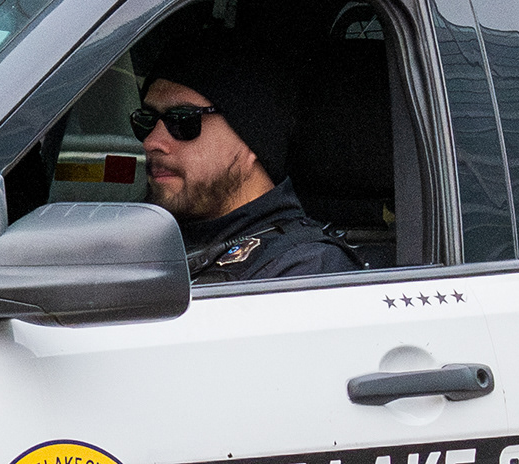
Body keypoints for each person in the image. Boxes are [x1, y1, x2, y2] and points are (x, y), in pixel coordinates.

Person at [131, 22, 359, 284]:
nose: (152, 141)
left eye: (182, 121)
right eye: (146, 120)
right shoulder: (145, 238)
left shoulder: (304, 269)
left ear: (252, 137)